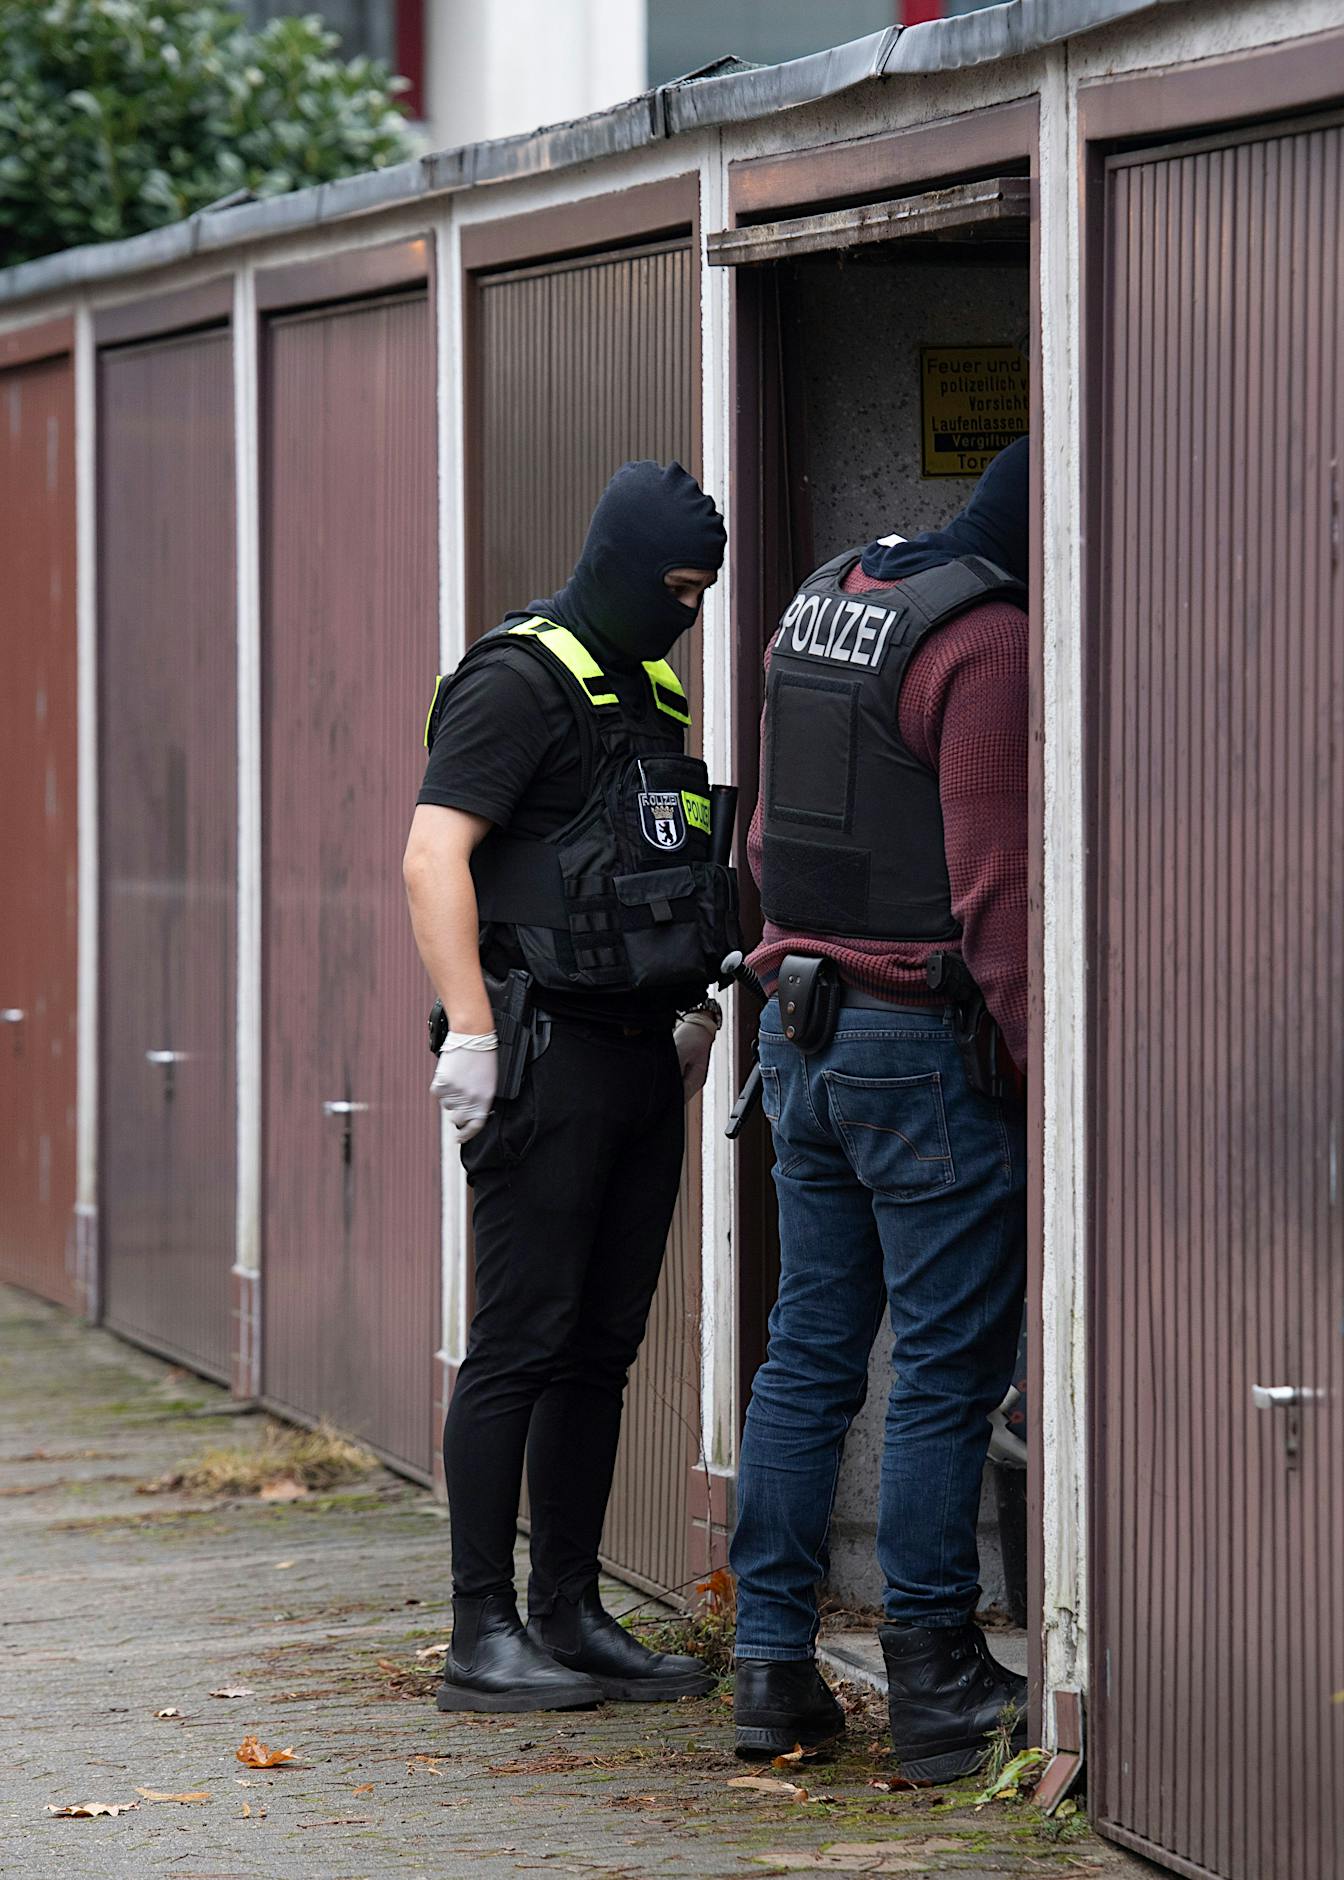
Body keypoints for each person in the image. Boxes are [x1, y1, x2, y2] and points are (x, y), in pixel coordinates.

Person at [404, 460, 732, 1714]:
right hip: (541, 1050)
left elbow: (668, 861)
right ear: (618, 566)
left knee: (600, 1347)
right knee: (520, 1343)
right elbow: (432, 854)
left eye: (699, 592)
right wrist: (473, 1034)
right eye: (674, 586)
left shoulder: (644, 684)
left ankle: (569, 1610)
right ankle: (479, 1630)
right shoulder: (513, 680)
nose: (685, 611)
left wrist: (692, 1009)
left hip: (640, 1047)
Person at [729, 438, 1032, 1784]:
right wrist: (1044, 1079)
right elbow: (999, 892)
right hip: (919, 1047)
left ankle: (771, 1674)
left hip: (799, 1025)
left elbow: (765, 839)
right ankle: (936, 1686)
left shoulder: (831, 593)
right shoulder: (989, 642)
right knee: (946, 1373)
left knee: (807, 1356)